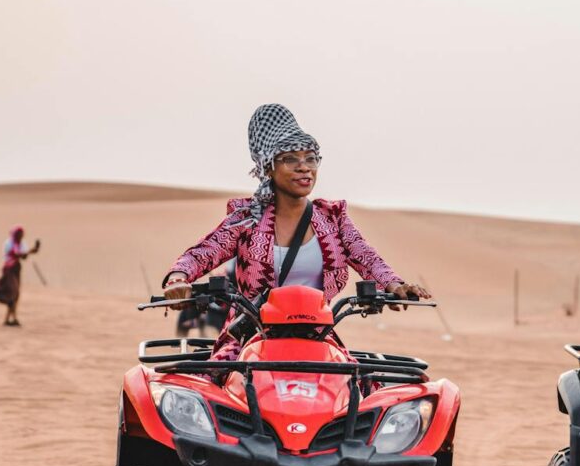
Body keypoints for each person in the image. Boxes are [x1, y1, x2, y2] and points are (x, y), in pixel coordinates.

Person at [164, 103, 430, 361]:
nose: (304, 167)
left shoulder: (332, 219)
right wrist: (178, 279)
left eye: (311, 158)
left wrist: (394, 285)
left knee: (356, 392)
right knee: (213, 390)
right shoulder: (247, 218)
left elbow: (368, 258)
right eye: (290, 159)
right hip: (252, 338)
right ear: (268, 166)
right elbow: (203, 253)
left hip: (317, 337)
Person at [0, 226, 40, 326]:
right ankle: (11, 319)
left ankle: (11, 318)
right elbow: (15, 254)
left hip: (16, 269)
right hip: (9, 269)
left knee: (15, 295)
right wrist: (30, 251)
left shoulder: (21, 243)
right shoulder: (9, 243)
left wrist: (33, 251)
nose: (21, 236)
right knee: (12, 293)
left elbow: (23, 256)